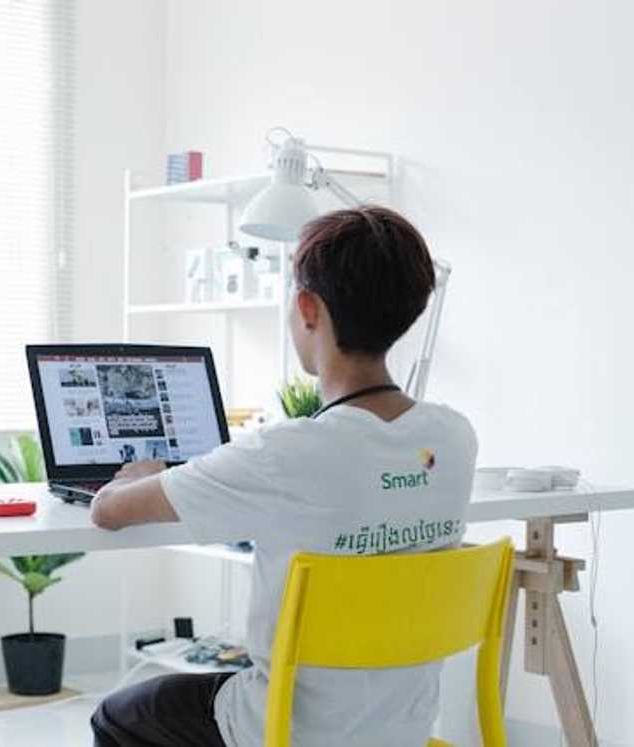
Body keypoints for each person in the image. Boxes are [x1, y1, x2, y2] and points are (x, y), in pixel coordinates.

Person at [89, 206, 478, 747]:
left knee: (120, 713)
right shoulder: (455, 439)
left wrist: (143, 475)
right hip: (403, 730)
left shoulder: (285, 451)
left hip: (285, 730)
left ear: (308, 308)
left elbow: (108, 512)